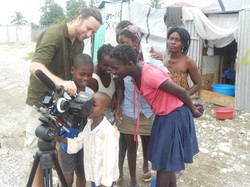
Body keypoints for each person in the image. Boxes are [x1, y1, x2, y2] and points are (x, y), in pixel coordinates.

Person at [24, 7, 102, 187]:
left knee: (56, 152)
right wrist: (62, 83)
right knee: (36, 157)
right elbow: (35, 65)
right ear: (79, 18)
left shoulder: (79, 43)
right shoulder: (54, 34)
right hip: (42, 105)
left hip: (61, 107)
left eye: (94, 32)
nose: (89, 34)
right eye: (89, 28)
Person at [109, 44, 204, 187]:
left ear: (129, 64)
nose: (113, 71)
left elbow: (182, 92)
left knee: (163, 165)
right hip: (163, 116)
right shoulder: (135, 75)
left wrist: (193, 111)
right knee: (166, 162)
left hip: (174, 115)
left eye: (116, 68)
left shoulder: (149, 74)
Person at [114, 25, 167, 186]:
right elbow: (120, 85)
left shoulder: (151, 57)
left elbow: (163, 78)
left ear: (136, 41)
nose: (121, 44)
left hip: (149, 109)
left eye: (125, 41)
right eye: (119, 42)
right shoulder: (121, 59)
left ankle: (145, 166)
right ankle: (132, 180)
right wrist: (118, 106)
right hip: (130, 108)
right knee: (131, 145)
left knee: (148, 142)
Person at [54, 92, 120, 187]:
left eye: (94, 105)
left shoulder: (107, 131)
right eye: (89, 103)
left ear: (104, 110)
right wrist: (60, 139)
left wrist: (105, 182)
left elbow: (109, 159)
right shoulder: (89, 124)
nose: (89, 106)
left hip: (104, 180)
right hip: (95, 176)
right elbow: (79, 141)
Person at [58, 53, 94, 187]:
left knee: (82, 173)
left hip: (84, 140)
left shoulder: (90, 92)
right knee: (67, 177)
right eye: (82, 74)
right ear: (73, 70)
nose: (86, 78)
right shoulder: (63, 91)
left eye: (89, 75)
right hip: (66, 141)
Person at [165, 27, 202, 96]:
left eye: (177, 40)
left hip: (179, 101)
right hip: (163, 98)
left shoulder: (188, 61)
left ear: (183, 44)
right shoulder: (163, 58)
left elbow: (198, 84)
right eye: (171, 39)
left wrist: (185, 95)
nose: (172, 42)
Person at [88, 44, 115, 122]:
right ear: (98, 62)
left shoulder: (114, 71)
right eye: (105, 65)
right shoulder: (93, 80)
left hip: (109, 117)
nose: (109, 69)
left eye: (111, 65)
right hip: (96, 121)